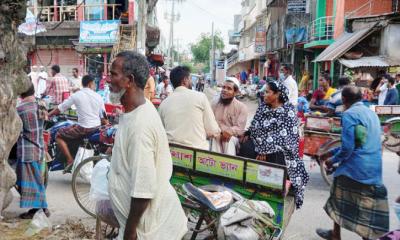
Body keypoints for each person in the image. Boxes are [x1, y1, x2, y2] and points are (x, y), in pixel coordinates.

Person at [108, 51, 187, 240]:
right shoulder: (136, 111)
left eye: (113, 74)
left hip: (150, 230)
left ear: (129, 80)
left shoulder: (140, 125)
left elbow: (143, 189)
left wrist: (129, 231)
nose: (108, 79)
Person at [316, 86, 389, 240]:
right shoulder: (372, 114)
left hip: (355, 169)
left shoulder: (349, 114)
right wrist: (331, 153)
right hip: (374, 169)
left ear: (343, 100)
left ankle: (336, 235)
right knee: (368, 207)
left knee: (337, 197)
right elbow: (357, 143)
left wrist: (331, 160)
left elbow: (348, 148)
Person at [238, 81, 309, 208]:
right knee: (245, 147)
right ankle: (247, 184)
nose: (263, 94)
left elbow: (284, 137)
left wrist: (265, 150)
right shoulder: (263, 107)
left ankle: (275, 189)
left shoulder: (289, 111)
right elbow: (255, 127)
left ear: (277, 95)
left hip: (280, 146)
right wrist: (256, 141)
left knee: (277, 155)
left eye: (267, 92)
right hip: (260, 142)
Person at [48, 75, 106, 173]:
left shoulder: (77, 95)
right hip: (96, 128)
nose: (95, 85)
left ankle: (70, 160)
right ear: (90, 84)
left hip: (83, 128)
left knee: (58, 135)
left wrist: (48, 114)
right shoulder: (98, 96)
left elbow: (60, 108)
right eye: (94, 83)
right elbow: (103, 117)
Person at [159, 66, 220, 150]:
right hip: (197, 153)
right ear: (185, 80)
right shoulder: (200, 97)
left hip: (171, 153)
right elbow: (213, 131)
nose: (191, 81)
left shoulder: (164, 103)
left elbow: (160, 132)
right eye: (190, 78)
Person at [16, 84, 49, 219]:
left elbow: (16, 130)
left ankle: (41, 209)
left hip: (27, 150)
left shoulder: (20, 109)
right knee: (37, 180)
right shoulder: (42, 104)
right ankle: (38, 208)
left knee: (33, 182)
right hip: (40, 147)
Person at [211, 78, 248, 155]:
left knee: (228, 140)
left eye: (229, 89)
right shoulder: (214, 103)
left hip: (232, 138)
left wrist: (229, 131)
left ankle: (228, 165)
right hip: (217, 134)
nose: (224, 90)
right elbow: (210, 120)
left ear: (236, 92)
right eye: (223, 87)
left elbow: (240, 128)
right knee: (214, 138)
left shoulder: (242, 107)